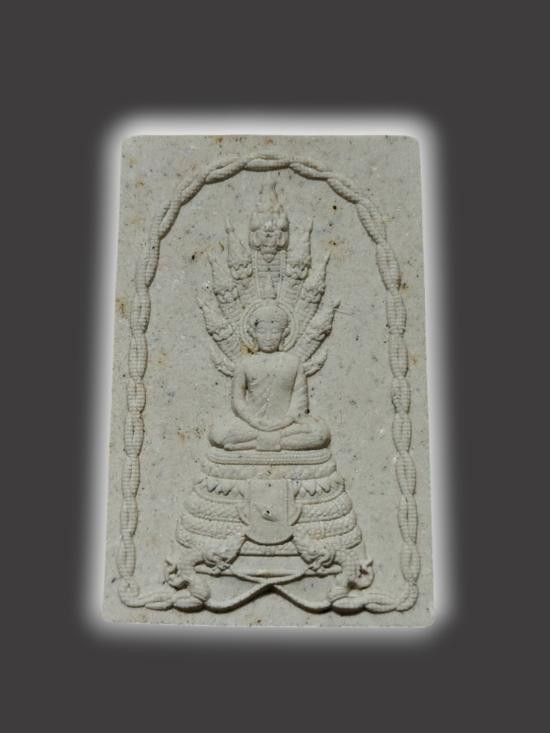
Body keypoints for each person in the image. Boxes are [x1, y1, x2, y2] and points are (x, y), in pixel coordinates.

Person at [209, 303, 330, 451]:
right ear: (253, 333)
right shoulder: (245, 363)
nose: (268, 337)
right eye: (262, 331)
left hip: (286, 425)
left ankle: (254, 444)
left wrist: (284, 422)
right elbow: (238, 402)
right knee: (217, 434)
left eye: (274, 332)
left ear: (284, 334)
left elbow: (300, 402)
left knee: (320, 434)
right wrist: (254, 421)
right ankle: (274, 441)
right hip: (252, 424)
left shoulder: (293, 362)